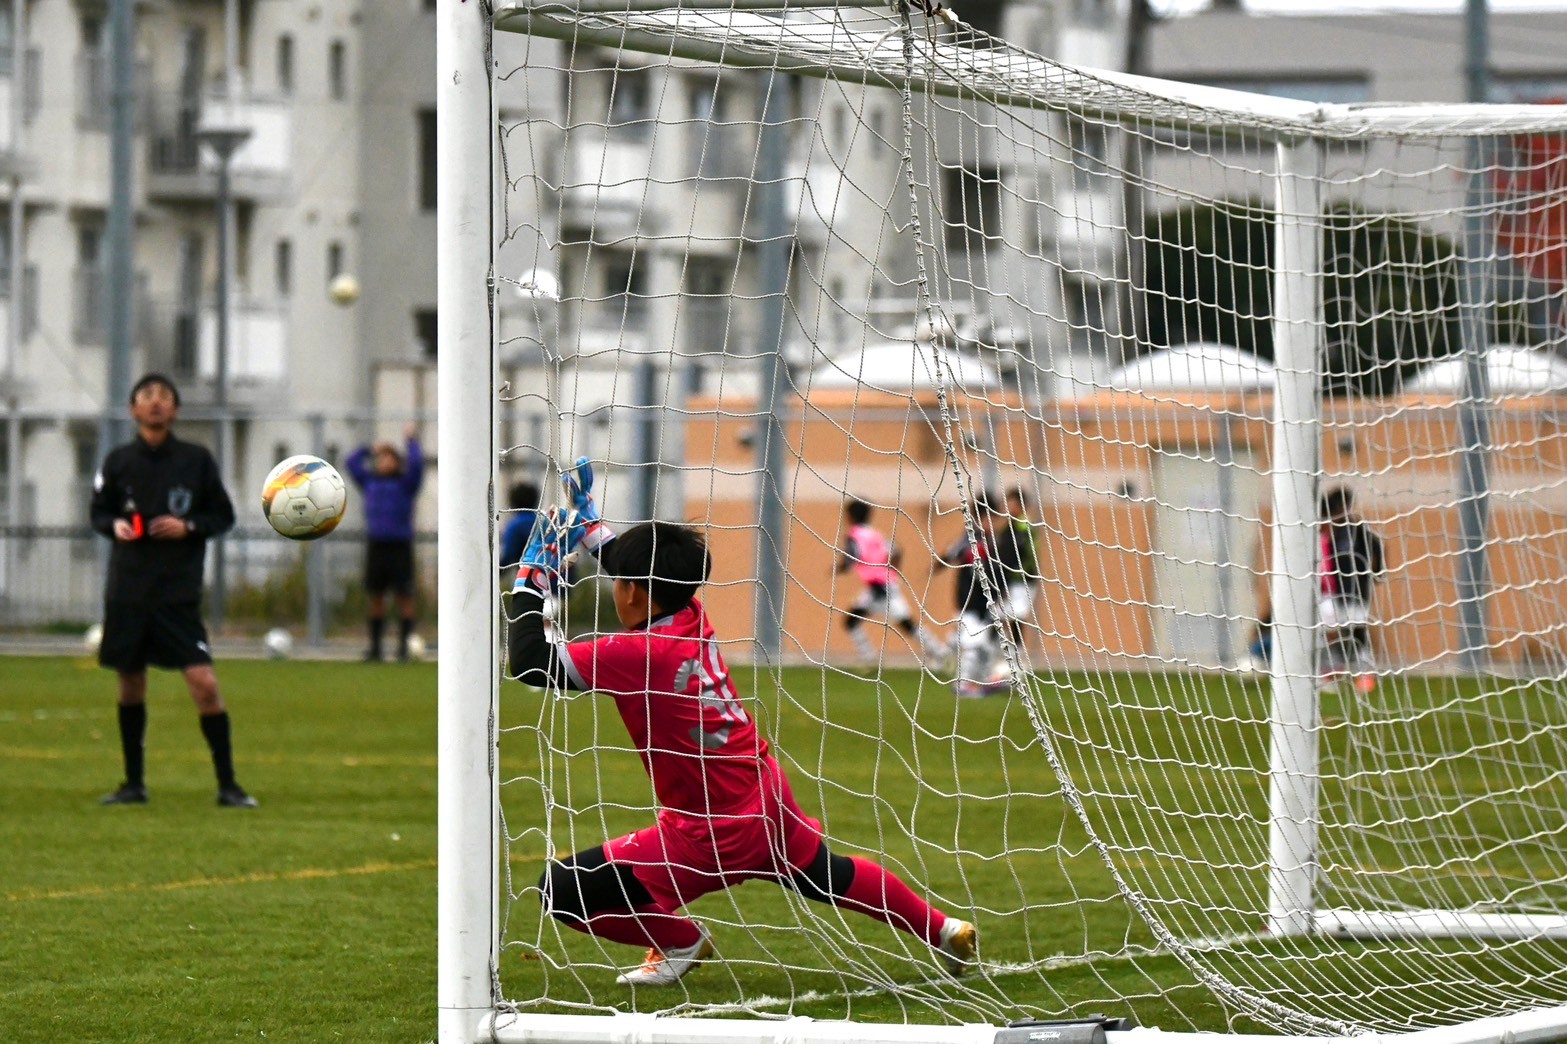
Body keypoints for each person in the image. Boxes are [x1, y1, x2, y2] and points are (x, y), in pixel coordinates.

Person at [508, 459, 978, 986]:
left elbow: (528, 661)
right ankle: (943, 929)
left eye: (619, 580)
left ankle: (680, 940)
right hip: (762, 790)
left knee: (560, 889)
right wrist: (590, 525)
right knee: (827, 873)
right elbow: (638, 567)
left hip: (709, 830)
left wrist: (532, 576)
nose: (616, 583)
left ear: (634, 592)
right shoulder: (687, 611)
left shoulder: (637, 653)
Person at [89, 373, 256, 808]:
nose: (156, 402)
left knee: (204, 683)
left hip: (176, 595)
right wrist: (115, 526)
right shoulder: (118, 461)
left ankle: (229, 786)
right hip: (128, 591)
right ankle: (133, 784)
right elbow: (98, 513)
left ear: (175, 410)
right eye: (147, 396)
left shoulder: (196, 460)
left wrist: (190, 526)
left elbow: (223, 515)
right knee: (130, 684)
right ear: (134, 410)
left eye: (164, 396)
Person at [346, 424, 425, 661]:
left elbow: (417, 465)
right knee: (376, 596)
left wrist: (411, 441)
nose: (385, 462)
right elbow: (351, 462)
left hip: (400, 545)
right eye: (381, 459)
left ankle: (403, 648)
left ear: (397, 463)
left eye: (390, 459)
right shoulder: (370, 482)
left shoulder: (405, 484)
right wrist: (370, 449)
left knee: (404, 596)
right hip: (377, 545)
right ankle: (375, 648)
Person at [934, 495, 1023, 698]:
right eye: (988, 517)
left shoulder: (994, 541)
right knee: (974, 643)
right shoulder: (970, 540)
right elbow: (950, 555)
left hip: (986, 603)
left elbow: (999, 573)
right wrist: (939, 564)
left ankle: (984, 678)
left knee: (985, 644)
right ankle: (962, 684)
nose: (992, 522)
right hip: (969, 601)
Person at [836, 498, 944, 664]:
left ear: (851, 516)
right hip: (884, 585)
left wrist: (842, 566)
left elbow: (853, 553)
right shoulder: (875, 534)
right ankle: (869, 657)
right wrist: (892, 569)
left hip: (880, 589)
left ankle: (940, 652)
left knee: (904, 624)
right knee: (854, 621)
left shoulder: (854, 535)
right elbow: (896, 549)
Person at [1318, 486, 1386, 692]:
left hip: (1356, 593)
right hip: (1331, 594)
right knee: (1328, 631)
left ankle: (1365, 675)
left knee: (1356, 633)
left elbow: (1377, 550)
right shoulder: (1328, 534)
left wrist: (1377, 572)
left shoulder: (1358, 532)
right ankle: (1330, 673)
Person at [1000, 486, 1041, 649]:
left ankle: (1018, 651)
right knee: (1001, 614)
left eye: (1011, 504)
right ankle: (1004, 649)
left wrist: (1018, 571)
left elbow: (1030, 555)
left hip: (1022, 580)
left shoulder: (1024, 528)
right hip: (1008, 579)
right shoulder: (1007, 528)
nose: (1007, 507)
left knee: (1017, 615)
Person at [499, 480, 542, 570]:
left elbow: (508, 555)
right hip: (549, 573)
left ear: (513, 502)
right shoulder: (542, 522)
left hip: (526, 575)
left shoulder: (514, 526)